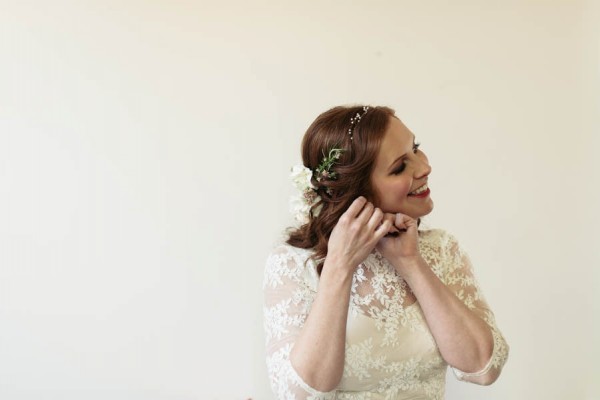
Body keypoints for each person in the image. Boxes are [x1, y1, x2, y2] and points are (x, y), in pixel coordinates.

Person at [263, 105, 509, 400]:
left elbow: (484, 367)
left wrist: (411, 263)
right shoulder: (293, 264)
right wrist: (339, 267)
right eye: (400, 167)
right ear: (357, 193)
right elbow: (298, 396)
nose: (424, 168)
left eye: (416, 149)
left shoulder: (442, 250)